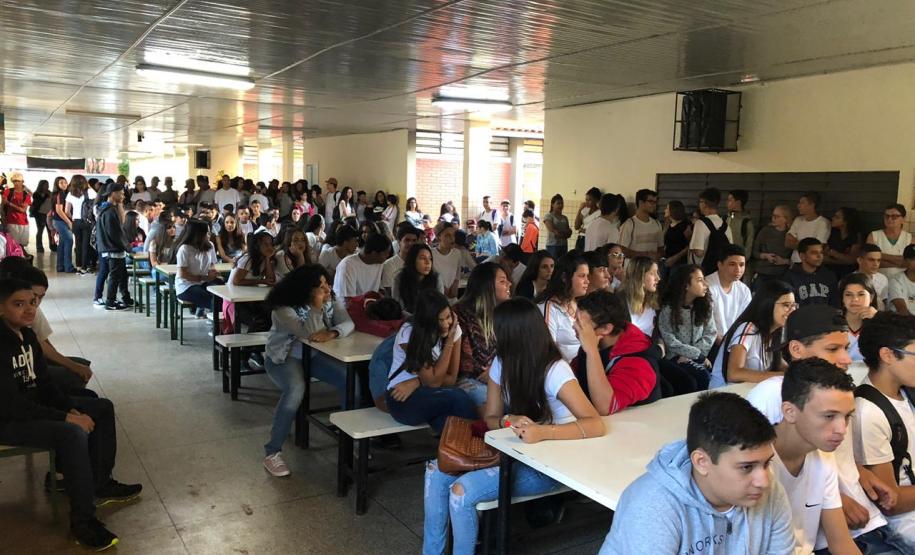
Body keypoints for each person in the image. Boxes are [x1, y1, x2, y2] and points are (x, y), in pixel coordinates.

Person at [423, 298, 605, 555]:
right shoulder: (502, 362)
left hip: (555, 463)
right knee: (435, 471)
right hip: (517, 452)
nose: (492, 335)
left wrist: (543, 432)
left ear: (513, 334)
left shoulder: (555, 370)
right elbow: (491, 418)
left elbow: (595, 423)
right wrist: (509, 420)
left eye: (497, 329)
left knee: (461, 491)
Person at [746, 306, 903, 553]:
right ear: (796, 349)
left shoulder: (837, 393)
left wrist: (860, 471)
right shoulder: (772, 393)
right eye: (833, 349)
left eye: (845, 347)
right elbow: (765, 468)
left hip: (863, 520)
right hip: (825, 534)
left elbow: (822, 455)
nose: (846, 358)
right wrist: (836, 501)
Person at [0, 277, 142, 550]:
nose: (29, 310)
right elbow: (12, 406)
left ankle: (100, 483)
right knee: (71, 434)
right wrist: (66, 418)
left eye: (32, 302)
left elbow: (45, 386)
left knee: (101, 407)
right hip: (8, 421)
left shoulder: (27, 335)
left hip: (28, 409)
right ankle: (83, 522)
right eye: (18, 304)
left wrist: (68, 407)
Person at [598, 392, 794, 555]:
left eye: (767, 462)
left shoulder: (770, 493)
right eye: (746, 467)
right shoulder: (651, 505)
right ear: (702, 462)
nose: (764, 481)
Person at [261, 265, 354, 477]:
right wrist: (316, 305)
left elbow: (348, 323)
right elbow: (309, 333)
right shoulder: (283, 308)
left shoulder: (330, 299)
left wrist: (333, 332)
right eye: (320, 286)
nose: (327, 289)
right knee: (295, 390)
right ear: (306, 289)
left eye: (326, 284)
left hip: (314, 357)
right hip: (283, 358)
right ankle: (272, 452)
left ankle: (350, 440)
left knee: (350, 381)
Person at [768, 358, 864, 554]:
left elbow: (841, 544)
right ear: (789, 412)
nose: (841, 429)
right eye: (829, 416)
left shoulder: (822, 455)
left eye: (847, 416)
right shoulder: (754, 464)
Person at [854, 312, 915, 550]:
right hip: (903, 523)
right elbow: (892, 502)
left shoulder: (906, 392)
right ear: (887, 355)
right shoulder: (867, 412)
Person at [386, 289, 477, 436]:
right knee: (458, 398)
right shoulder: (410, 332)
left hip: (431, 394)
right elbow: (434, 382)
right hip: (402, 398)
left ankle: (446, 458)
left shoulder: (454, 328)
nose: (446, 324)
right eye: (438, 320)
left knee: (449, 420)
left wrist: (417, 381)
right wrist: (449, 342)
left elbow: (450, 379)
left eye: (448, 317)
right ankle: (480, 450)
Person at [576, 289, 659, 414]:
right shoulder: (597, 344)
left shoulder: (639, 364)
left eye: (582, 324)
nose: (574, 327)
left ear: (606, 328)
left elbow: (605, 406)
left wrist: (591, 351)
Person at [709, 280, 795, 388]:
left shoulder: (777, 330)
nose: (792, 310)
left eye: (793, 305)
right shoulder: (748, 328)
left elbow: (778, 363)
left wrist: (797, 373)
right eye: (786, 305)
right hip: (724, 395)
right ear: (768, 304)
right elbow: (734, 373)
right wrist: (781, 375)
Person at [453, 262, 512, 406]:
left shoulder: (507, 313)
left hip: (501, 374)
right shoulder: (460, 314)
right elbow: (463, 362)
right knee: (494, 404)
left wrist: (497, 370)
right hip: (469, 379)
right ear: (487, 286)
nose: (509, 284)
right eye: (503, 281)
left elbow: (516, 350)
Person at [658, 264, 717, 391]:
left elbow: (711, 333)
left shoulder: (705, 306)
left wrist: (694, 355)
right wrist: (695, 355)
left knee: (705, 377)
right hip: (676, 357)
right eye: (700, 280)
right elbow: (670, 340)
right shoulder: (668, 310)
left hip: (698, 356)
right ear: (686, 285)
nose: (706, 284)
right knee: (698, 378)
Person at [536, 253, 590, 362]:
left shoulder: (579, 304)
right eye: (581, 276)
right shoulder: (548, 308)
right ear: (565, 278)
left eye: (587, 276)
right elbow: (548, 350)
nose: (587, 281)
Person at [95, 182, 134, 311]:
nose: (123, 196)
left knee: (122, 275)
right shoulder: (110, 211)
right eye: (121, 193)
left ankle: (126, 299)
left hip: (110, 248)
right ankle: (110, 301)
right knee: (115, 276)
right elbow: (115, 233)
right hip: (113, 249)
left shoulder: (106, 209)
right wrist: (127, 247)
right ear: (113, 194)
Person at [174, 219, 223, 319]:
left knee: (222, 290)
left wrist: (213, 273)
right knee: (211, 299)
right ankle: (217, 325)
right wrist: (204, 278)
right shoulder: (185, 249)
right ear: (198, 234)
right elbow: (183, 274)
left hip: (203, 282)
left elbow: (211, 265)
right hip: (186, 286)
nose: (209, 234)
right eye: (207, 232)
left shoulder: (210, 246)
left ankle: (224, 318)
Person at [705, 245, 752, 342]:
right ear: (720, 265)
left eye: (742, 265)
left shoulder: (744, 290)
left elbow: (746, 320)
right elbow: (704, 321)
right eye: (732, 264)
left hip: (735, 341)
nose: (738, 270)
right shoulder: (707, 286)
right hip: (710, 342)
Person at [783, 237, 839, 307]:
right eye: (814, 253)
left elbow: (835, 303)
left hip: (825, 316)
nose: (819, 256)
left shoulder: (829, 275)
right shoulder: (790, 277)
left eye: (821, 252)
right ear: (802, 256)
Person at [332, 232, 389, 299]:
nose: (388, 256)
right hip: (348, 307)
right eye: (385, 254)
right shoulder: (348, 266)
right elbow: (348, 301)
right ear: (374, 254)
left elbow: (379, 290)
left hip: (369, 305)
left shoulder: (378, 262)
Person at [866, 204, 915, 280]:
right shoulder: (873, 236)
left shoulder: (910, 239)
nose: (889, 219)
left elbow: (910, 264)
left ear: (903, 219)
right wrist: (900, 260)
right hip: (877, 281)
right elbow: (869, 261)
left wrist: (881, 256)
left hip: (901, 283)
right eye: (887, 216)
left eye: (894, 216)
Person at [393, 244, 445, 314]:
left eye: (430, 258)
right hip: (407, 320)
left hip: (431, 320)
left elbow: (440, 305)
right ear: (412, 260)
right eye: (423, 258)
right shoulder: (400, 278)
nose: (428, 262)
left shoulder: (436, 278)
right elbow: (398, 307)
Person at [617, 256, 660, 338]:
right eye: (652, 273)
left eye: (657, 273)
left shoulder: (656, 302)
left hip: (651, 348)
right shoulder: (620, 301)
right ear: (639, 276)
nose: (658, 278)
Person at [752, 204, 794, 288]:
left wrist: (784, 261)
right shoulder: (765, 231)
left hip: (782, 273)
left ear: (786, 219)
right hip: (764, 271)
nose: (773, 218)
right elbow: (754, 252)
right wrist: (766, 256)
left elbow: (795, 258)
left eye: (777, 216)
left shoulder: (791, 234)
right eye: (773, 216)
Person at [690, 187, 732, 269]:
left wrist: (690, 246)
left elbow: (699, 252)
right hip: (720, 270)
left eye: (700, 202)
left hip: (703, 270)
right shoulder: (726, 225)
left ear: (704, 203)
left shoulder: (700, 223)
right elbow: (729, 250)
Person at [839, 273, 878, 362]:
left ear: (871, 297)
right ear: (842, 298)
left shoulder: (880, 324)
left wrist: (879, 318)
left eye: (861, 294)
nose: (855, 299)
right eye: (848, 295)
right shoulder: (832, 324)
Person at [787, 191, 831, 264]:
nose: (798, 205)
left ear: (812, 205)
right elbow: (788, 243)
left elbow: (817, 248)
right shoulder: (798, 220)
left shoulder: (823, 223)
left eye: (802, 203)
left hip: (810, 264)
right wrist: (807, 246)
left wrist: (797, 242)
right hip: (794, 263)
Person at [618, 188, 663, 260]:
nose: (654, 205)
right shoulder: (629, 224)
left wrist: (658, 255)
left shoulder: (657, 224)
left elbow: (661, 247)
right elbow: (622, 249)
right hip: (634, 268)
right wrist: (645, 255)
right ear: (641, 202)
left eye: (655, 202)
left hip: (651, 268)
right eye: (651, 201)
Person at [380, 223, 421, 296]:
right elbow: (389, 292)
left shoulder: (421, 263)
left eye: (414, 240)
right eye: (407, 240)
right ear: (399, 242)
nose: (411, 243)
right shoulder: (389, 265)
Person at [825, 207, 864, 279]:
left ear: (845, 221)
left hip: (848, 273)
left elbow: (852, 260)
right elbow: (824, 256)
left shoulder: (855, 236)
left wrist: (835, 254)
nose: (833, 218)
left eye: (837, 217)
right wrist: (843, 258)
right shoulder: (832, 233)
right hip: (830, 271)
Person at [1, 171, 32, 253]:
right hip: (11, 221)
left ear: (22, 182)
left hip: (23, 222)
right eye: (14, 181)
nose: (16, 183)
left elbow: (23, 210)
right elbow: (2, 206)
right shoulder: (8, 191)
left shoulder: (26, 194)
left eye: (18, 181)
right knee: (12, 244)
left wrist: (9, 203)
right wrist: (3, 219)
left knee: (22, 244)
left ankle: (20, 259)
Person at [432, 223, 462, 299]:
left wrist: (455, 285)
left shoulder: (457, 253)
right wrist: (441, 287)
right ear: (439, 237)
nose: (452, 239)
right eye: (448, 235)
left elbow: (457, 275)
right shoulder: (430, 254)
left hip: (452, 298)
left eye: (453, 235)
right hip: (437, 298)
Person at [52, 175, 75, 273]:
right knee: (69, 241)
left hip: (58, 221)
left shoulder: (62, 193)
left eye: (65, 182)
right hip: (60, 221)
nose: (64, 184)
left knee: (61, 244)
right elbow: (59, 211)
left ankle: (60, 266)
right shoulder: (60, 194)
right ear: (57, 184)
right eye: (61, 183)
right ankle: (68, 267)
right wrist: (69, 222)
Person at [662, 200, 692, 274]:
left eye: (667, 208)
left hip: (679, 262)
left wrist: (675, 258)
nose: (664, 210)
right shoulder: (668, 224)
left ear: (672, 211)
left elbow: (690, 246)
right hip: (667, 259)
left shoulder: (685, 226)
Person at [858, 244, 889, 310]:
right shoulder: (849, 280)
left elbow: (886, 303)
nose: (876, 264)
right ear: (860, 260)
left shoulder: (883, 279)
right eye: (871, 260)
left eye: (878, 260)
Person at [726, 189, 755, 259]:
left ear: (738, 203)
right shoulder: (726, 218)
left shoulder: (746, 223)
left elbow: (749, 246)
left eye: (730, 200)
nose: (727, 203)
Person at [542, 194, 572, 259]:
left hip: (563, 245)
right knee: (553, 264)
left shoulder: (565, 218)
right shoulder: (548, 216)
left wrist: (560, 233)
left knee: (562, 265)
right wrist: (565, 233)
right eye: (558, 203)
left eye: (562, 203)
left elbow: (569, 233)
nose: (560, 205)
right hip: (552, 246)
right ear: (552, 204)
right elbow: (553, 230)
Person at [888, 244, 915, 315]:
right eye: (913, 259)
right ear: (905, 261)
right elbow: (902, 310)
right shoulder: (895, 280)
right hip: (903, 323)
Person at [573, 187, 602, 252]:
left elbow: (596, 231)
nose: (587, 202)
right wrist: (580, 209)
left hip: (589, 239)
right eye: (586, 200)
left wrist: (583, 230)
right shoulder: (585, 210)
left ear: (596, 200)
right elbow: (576, 226)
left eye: (589, 200)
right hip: (580, 239)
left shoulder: (599, 213)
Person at [30, 179, 53, 253]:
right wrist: (46, 196)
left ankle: (53, 246)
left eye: (47, 184)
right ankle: (39, 247)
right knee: (40, 231)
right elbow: (38, 203)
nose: (47, 186)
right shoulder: (37, 194)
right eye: (45, 185)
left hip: (49, 214)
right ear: (41, 185)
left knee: (51, 231)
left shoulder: (50, 192)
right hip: (40, 214)